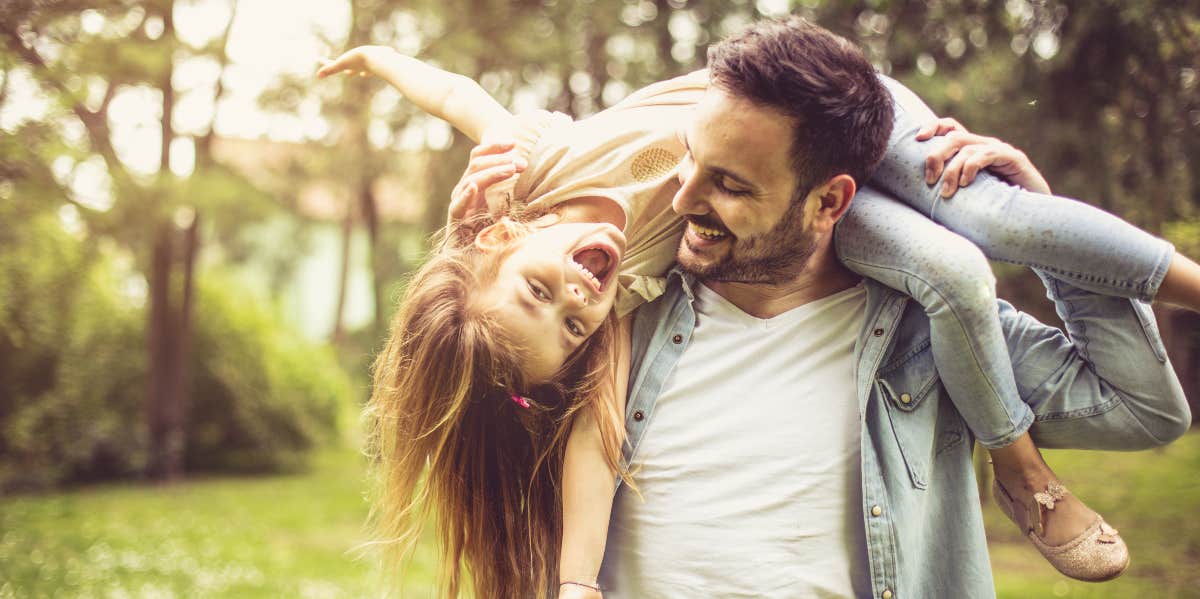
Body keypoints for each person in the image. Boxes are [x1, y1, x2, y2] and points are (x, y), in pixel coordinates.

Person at [317, 17, 1198, 598]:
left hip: (892, 170)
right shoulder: (628, 319)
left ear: (828, 201)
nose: (681, 191)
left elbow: (1146, 408)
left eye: (729, 184)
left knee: (972, 248)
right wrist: (478, 241)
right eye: (693, 160)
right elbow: (493, 371)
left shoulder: (922, 326)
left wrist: (1041, 234)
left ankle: (1025, 471)